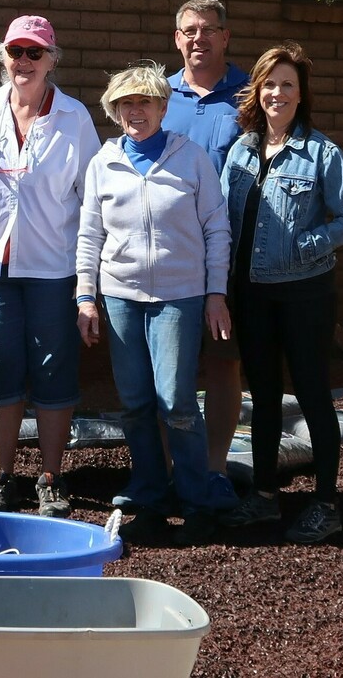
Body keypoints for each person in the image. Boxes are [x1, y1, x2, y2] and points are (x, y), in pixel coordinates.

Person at [0, 15, 99, 518]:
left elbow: (92, 201)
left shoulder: (74, 118)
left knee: (53, 372)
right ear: (2, 56)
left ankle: (50, 477)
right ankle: (1, 474)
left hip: (54, 269)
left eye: (35, 53)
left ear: (53, 59)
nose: (24, 62)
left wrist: (89, 278)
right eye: (16, 52)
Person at [76, 62, 231, 546]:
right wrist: (86, 296)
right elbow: (89, 234)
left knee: (176, 401)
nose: (135, 111)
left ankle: (196, 497)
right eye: (126, 104)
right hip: (120, 297)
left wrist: (216, 292)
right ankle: (150, 493)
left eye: (145, 102)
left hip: (178, 298)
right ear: (115, 111)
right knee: (137, 403)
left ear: (164, 107)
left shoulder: (192, 159)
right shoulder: (103, 162)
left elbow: (216, 229)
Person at [218, 42, 343, 544]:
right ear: (257, 91)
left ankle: (327, 504)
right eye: (270, 84)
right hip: (251, 294)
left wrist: (309, 244)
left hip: (305, 294)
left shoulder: (321, 152)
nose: (277, 93)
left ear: (301, 95)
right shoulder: (240, 150)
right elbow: (222, 220)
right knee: (260, 396)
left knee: (311, 394)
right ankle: (263, 497)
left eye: (287, 84)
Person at [162, 0, 252, 509]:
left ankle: (215, 468)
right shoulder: (157, 95)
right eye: (189, 30)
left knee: (221, 364)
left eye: (209, 30)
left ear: (225, 35)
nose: (199, 39)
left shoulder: (248, 95)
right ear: (177, 38)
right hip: (167, 257)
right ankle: (171, 470)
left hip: (227, 259)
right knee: (167, 370)